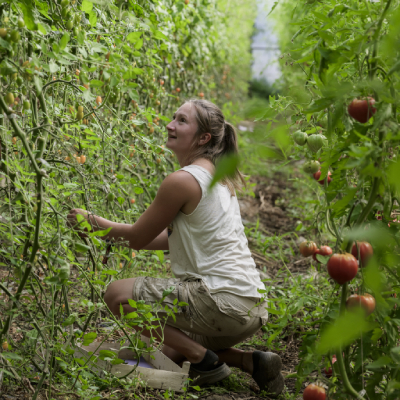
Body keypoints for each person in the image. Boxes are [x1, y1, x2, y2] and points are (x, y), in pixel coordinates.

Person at [67, 99, 284, 397]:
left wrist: (94, 224)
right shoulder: (218, 179)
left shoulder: (182, 181)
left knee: (116, 294)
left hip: (219, 302)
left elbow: (137, 238)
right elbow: (171, 239)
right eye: (173, 118)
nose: (170, 125)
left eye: (181, 121)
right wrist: (112, 234)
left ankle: (201, 358)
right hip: (251, 307)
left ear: (203, 137)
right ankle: (251, 361)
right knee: (169, 352)